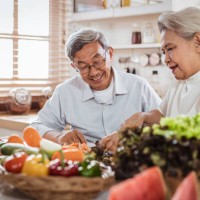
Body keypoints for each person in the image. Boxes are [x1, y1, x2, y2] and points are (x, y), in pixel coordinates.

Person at [30, 28, 161, 146]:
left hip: (130, 163)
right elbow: (36, 127)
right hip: (86, 165)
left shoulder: (138, 85)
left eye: (97, 62)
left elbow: (166, 119)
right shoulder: (65, 91)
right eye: (83, 67)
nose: (93, 72)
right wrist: (59, 137)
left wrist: (144, 116)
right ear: (74, 67)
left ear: (109, 53)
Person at [100, 7, 200, 151]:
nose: (165, 59)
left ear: (197, 41)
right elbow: (162, 114)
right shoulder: (179, 81)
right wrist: (142, 116)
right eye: (163, 52)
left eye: (170, 49)